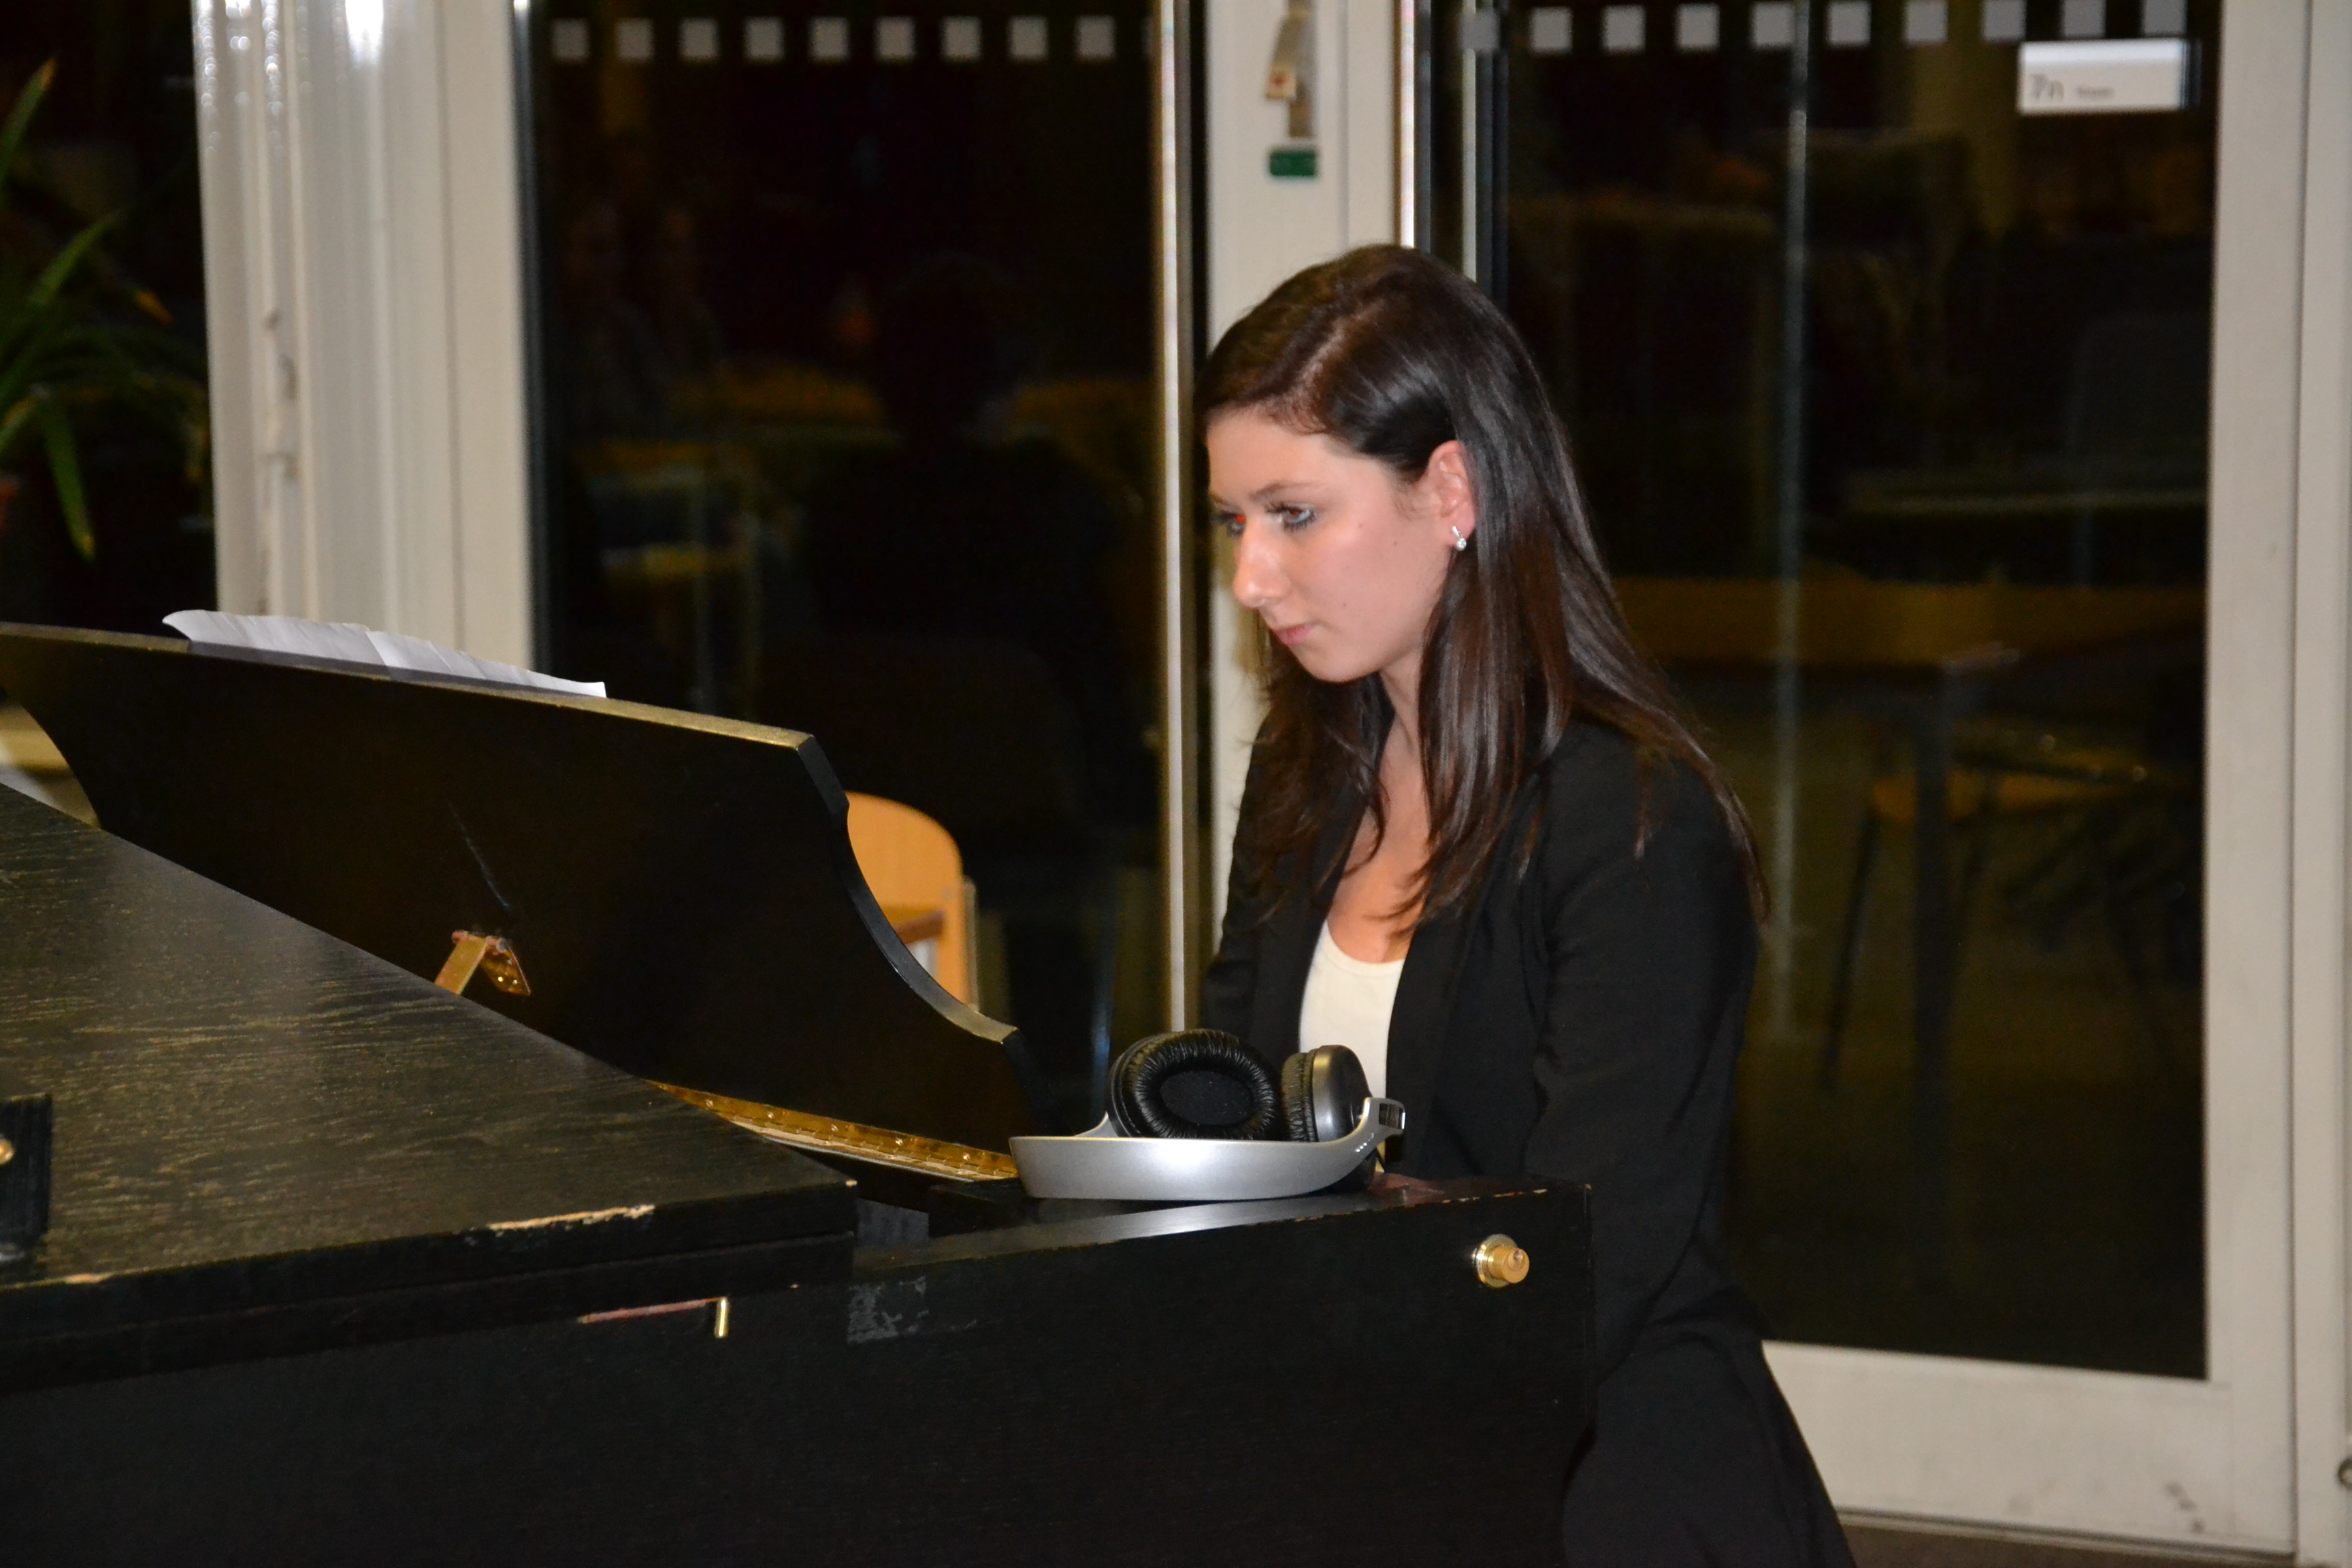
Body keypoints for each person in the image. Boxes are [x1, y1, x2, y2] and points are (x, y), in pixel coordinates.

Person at [1198, 245, 1854, 1565]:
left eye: (1295, 515)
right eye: (1231, 525)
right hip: (1374, 1407)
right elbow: (1233, 1105)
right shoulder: (1305, 771)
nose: (1251, 579)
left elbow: (1587, 1260)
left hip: (1599, 1460)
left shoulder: (1632, 819)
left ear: (1452, 490)